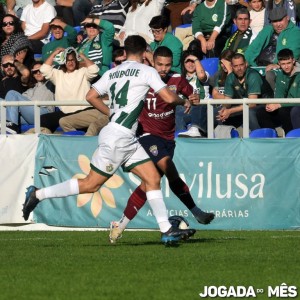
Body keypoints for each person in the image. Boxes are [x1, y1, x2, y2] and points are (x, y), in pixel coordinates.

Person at [22, 35, 196, 244]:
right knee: (90, 184)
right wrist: (183, 100)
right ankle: (38, 194)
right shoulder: (146, 71)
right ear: (143, 53)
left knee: (152, 179)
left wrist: (111, 113)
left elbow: (90, 96)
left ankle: (166, 229)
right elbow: (168, 98)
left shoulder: (113, 72)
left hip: (124, 136)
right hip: (119, 138)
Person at [109, 46, 214, 243]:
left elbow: (194, 96)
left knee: (149, 183)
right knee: (168, 166)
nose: (163, 69)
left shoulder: (176, 79)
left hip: (167, 138)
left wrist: (194, 98)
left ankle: (120, 224)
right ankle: (195, 212)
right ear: (152, 63)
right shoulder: (143, 78)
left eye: (167, 65)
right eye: (159, 65)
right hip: (146, 135)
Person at [37, 47, 99, 133]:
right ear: (64, 62)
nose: (70, 62)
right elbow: (44, 69)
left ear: (76, 60)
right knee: (43, 119)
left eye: (73, 60)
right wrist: (54, 52)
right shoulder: (58, 75)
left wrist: (83, 56)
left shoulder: (83, 72)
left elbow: (94, 69)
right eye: (67, 60)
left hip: (83, 111)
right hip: (65, 113)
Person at [245, 7, 300, 90]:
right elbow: (253, 48)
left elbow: (293, 53)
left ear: (287, 18)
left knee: (269, 74)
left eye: (280, 20)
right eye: (274, 21)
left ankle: (272, 101)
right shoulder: (267, 30)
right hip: (258, 66)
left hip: (280, 68)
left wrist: (278, 64)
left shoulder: (295, 32)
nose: (278, 24)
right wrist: (245, 61)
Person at [218, 52, 273, 130]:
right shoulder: (230, 77)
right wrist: (224, 108)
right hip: (243, 106)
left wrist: (230, 110)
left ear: (246, 64)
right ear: (232, 67)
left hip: (263, 107)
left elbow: (252, 104)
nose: (239, 68)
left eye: (241, 65)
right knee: (218, 113)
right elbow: (227, 101)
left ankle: (258, 137)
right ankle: (222, 138)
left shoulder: (253, 75)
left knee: (248, 112)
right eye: (236, 66)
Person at [256, 48, 298, 133]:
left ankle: (290, 137)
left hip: (296, 107)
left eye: (288, 63)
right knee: (261, 112)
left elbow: (298, 100)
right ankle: (272, 137)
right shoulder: (280, 74)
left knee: (285, 111)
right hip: (286, 106)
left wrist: (279, 104)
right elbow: (279, 96)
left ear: (293, 61)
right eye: (283, 64)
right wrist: (273, 103)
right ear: (279, 64)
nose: (286, 66)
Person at [4, 60, 55, 127]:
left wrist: (14, 61)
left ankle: (11, 128)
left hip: (44, 114)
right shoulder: (30, 90)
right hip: (29, 116)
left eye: (40, 70)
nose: (38, 73)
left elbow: (56, 68)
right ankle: (8, 128)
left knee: (11, 93)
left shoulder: (50, 83)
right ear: (33, 74)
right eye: (35, 71)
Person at [177, 50, 208, 137]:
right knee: (177, 111)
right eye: (187, 61)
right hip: (186, 109)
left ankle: (195, 130)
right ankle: (179, 137)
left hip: (201, 109)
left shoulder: (205, 74)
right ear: (183, 63)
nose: (190, 64)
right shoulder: (179, 79)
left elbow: (201, 76)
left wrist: (195, 59)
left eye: (193, 62)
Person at [0, 54, 30, 132]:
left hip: (18, 112)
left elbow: (26, 74)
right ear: (2, 67)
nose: (9, 67)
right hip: (3, 111)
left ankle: (11, 128)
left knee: (11, 93)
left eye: (11, 64)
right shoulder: (2, 82)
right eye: (6, 65)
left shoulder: (20, 79)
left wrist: (16, 62)